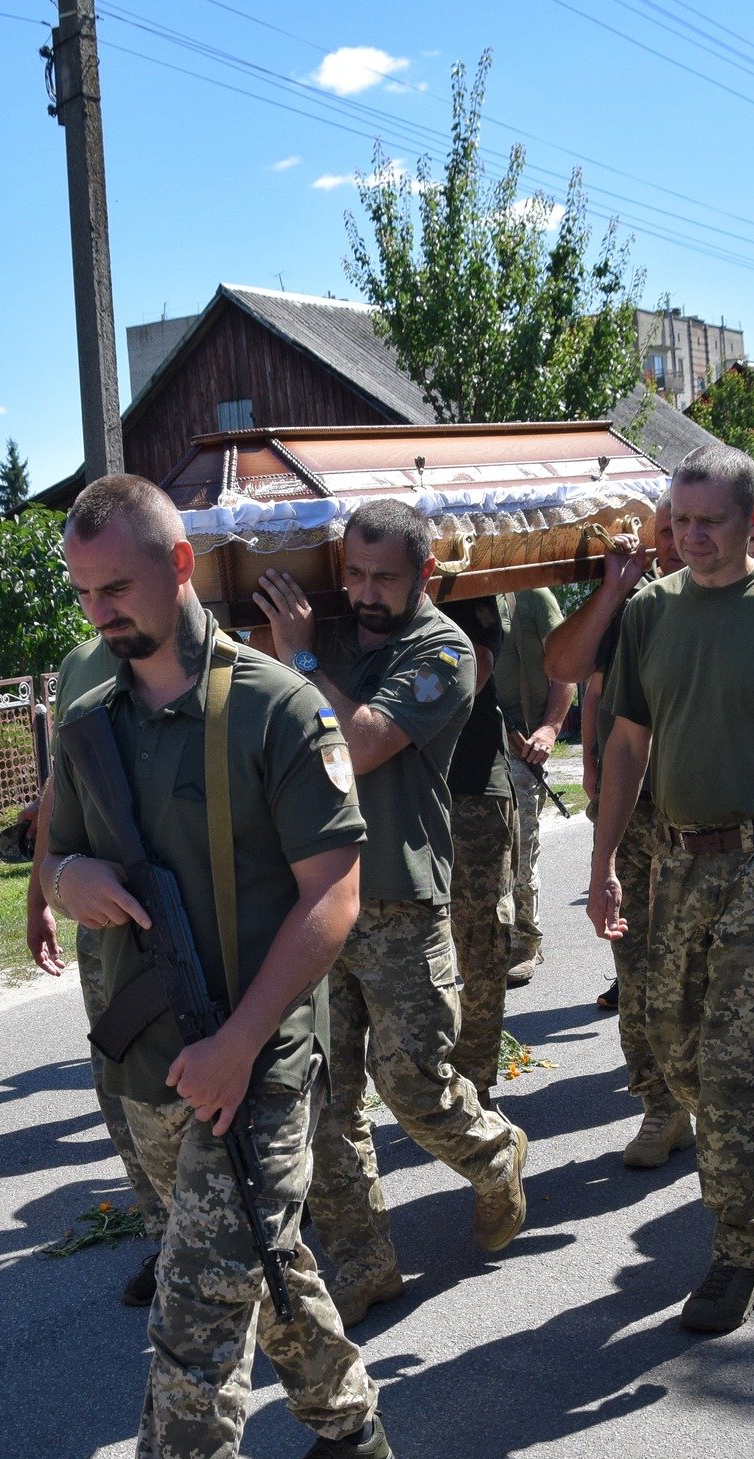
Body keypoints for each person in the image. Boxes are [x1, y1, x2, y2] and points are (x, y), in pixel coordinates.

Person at [40, 475, 384, 1459]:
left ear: (181, 566)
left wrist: (241, 1038)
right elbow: (53, 843)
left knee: (195, 1319)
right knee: (253, 1259)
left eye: (118, 588)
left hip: (258, 1059)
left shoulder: (277, 710)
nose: (100, 614)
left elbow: (334, 895)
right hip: (143, 1058)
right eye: (84, 594)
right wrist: (66, 878)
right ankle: (350, 1429)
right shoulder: (90, 708)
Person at [592, 445, 754, 1333]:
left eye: (711, 521)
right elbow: (626, 746)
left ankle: (738, 1252)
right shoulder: (649, 612)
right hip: (676, 859)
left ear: (752, 521)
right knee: (674, 1053)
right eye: (681, 521)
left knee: (738, 1064)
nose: (693, 536)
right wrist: (601, 864)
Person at [250, 501, 531, 1326]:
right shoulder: (327, 632)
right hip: (314, 897)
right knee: (324, 1098)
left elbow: (363, 741)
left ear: (425, 576)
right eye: (355, 574)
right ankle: (365, 1261)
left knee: (411, 1084)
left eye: (386, 578)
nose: (367, 593)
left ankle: (493, 1153)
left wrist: (300, 655)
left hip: (400, 896)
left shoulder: (444, 650)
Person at [541, 488, 695, 1169]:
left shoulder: (736, 604)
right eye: (667, 528)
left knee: (702, 975)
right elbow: (567, 670)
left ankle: (727, 1107)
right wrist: (612, 590)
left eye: (692, 525)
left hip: (710, 820)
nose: (677, 541)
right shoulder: (631, 607)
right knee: (636, 971)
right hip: (636, 817)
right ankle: (661, 1107)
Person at [28, 632, 166, 1304]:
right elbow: (62, 789)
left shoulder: (222, 644)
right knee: (120, 1074)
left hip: (196, 907)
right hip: (106, 919)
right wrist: (40, 897)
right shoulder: (82, 664)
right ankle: (168, 1234)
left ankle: (255, 1215)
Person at [440, 592, 517, 1096]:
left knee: (481, 941)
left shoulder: (466, 586)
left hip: (471, 789)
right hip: (396, 790)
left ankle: (474, 1085)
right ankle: (425, 1081)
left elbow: (477, 668)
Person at [494, 584, 575, 988]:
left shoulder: (532, 597)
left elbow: (566, 668)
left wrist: (549, 728)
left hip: (521, 749)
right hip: (474, 748)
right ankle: (490, 944)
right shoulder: (457, 597)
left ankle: (526, 943)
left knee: (521, 853)